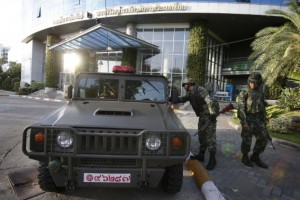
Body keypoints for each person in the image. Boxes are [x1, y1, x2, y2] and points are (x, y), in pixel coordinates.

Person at [170, 78, 218, 170]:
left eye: (184, 85)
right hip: (202, 116)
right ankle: (201, 155)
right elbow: (182, 99)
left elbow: (209, 100)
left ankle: (213, 160)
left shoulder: (201, 90)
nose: (184, 87)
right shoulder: (191, 93)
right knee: (201, 135)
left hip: (209, 116)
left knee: (210, 137)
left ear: (189, 84)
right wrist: (172, 99)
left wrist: (212, 113)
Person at [237, 71, 269, 169]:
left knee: (263, 138)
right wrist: (244, 122)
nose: (252, 84)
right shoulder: (244, 92)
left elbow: (262, 106)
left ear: (259, 83)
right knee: (247, 140)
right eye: (251, 82)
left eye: (255, 82)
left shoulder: (260, 92)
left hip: (258, 120)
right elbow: (241, 108)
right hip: (248, 120)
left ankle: (255, 157)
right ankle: (245, 157)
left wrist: (264, 117)